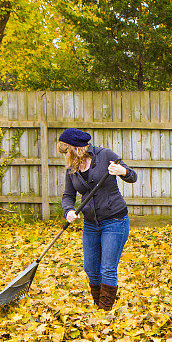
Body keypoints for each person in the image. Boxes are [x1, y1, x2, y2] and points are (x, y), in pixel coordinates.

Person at [58, 128, 137, 311]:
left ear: (75, 148)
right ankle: (99, 306)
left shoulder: (105, 155)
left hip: (115, 221)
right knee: (90, 268)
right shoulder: (72, 168)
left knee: (107, 268)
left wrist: (122, 171)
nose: (64, 156)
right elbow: (68, 195)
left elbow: (133, 177)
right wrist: (68, 210)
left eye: (65, 151)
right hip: (91, 223)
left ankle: (104, 312)